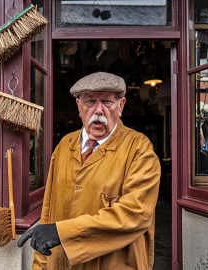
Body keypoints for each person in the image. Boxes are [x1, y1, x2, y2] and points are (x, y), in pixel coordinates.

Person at [17, 72, 161, 270]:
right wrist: (40, 266)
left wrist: (62, 232)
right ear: (79, 107)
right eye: (90, 101)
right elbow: (49, 211)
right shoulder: (64, 146)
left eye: (108, 102)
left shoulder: (139, 149)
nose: (98, 110)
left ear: (121, 106)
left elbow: (135, 213)